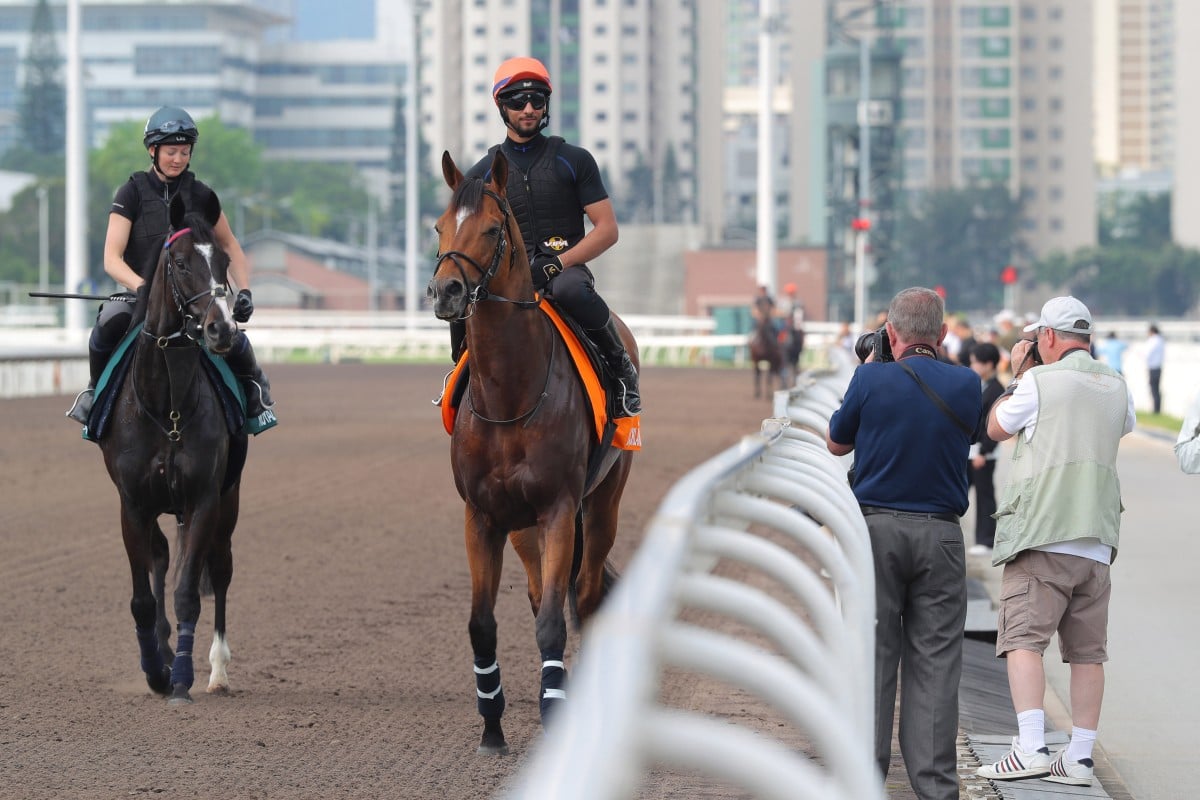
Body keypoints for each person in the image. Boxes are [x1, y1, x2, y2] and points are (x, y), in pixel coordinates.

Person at [826, 287, 981, 800]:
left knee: (873, 659)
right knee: (935, 667)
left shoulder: (871, 376)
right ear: (941, 335)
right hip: (940, 535)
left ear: (890, 332)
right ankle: (935, 788)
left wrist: (874, 361)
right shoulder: (966, 383)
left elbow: (836, 441)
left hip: (874, 531)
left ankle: (864, 781)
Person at [977, 296, 1134, 787]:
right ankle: (1079, 758)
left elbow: (995, 426)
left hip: (1043, 532)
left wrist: (1019, 373)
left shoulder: (1038, 381)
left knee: (1022, 639)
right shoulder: (1117, 384)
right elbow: (1123, 426)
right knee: (1088, 652)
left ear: (1046, 337)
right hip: (1097, 539)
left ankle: (1030, 747)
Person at [67, 106, 274, 424]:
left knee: (232, 335)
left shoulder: (203, 196)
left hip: (196, 297)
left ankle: (255, 390)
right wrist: (142, 287)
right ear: (153, 150)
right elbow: (111, 257)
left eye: (184, 151)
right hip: (142, 296)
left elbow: (230, 245)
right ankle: (94, 392)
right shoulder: (131, 193)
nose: (178, 158)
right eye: (171, 151)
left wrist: (244, 290)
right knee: (107, 322)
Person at [457, 56, 639, 417]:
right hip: (507, 281)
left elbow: (607, 229)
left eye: (537, 100)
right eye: (517, 101)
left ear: (546, 105)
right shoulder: (479, 175)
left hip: (565, 272)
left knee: (570, 289)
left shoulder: (574, 160)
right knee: (463, 302)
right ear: (500, 106)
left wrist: (558, 264)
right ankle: (459, 379)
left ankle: (621, 371)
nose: (528, 109)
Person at [967, 342, 1005, 555]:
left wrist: (983, 451)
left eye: (976, 363)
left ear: (989, 364)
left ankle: (986, 540)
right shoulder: (979, 385)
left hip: (984, 453)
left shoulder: (997, 390)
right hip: (970, 451)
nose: (972, 366)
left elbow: (993, 424)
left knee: (985, 495)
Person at [779, 282, 806, 374]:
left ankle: (801, 345)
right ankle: (778, 345)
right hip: (786, 324)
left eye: (792, 292)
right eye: (789, 292)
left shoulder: (798, 302)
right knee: (779, 330)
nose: (791, 294)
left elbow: (800, 313)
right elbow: (780, 313)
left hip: (795, 324)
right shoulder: (783, 302)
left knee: (800, 332)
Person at [1145, 324, 1164, 414]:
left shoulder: (1153, 340)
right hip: (1158, 367)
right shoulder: (1161, 340)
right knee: (1157, 388)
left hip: (1153, 367)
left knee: (1154, 389)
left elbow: (1148, 353)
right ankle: (1157, 408)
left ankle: (1156, 409)